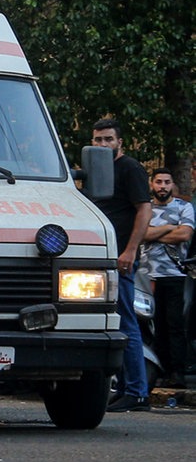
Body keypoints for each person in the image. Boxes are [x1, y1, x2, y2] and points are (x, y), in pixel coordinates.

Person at [90, 118, 153, 411]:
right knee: (113, 321)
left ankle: (138, 393)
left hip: (121, 257)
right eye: (98, 139)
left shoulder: (130, 168)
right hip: (102, 256)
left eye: (108, 139)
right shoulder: (95, 169)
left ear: (119, 143)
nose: (102, 144)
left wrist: (130, 251)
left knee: (126, 321)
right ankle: (126, 387)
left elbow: (144, 210)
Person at [140, 168, 194, 388]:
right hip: (145, 275)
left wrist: (155, 231)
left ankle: (177, 373)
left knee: (175, 325)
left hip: (174, 275)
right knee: (155, 327)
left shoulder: (184, 207)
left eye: (167, 182)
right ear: (152, 184)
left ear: (173, 185)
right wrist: (171, 227)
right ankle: (158, 372)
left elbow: (185, 234)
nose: (162, 186)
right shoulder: (145, 208)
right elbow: (141, 234)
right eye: (159, 182)